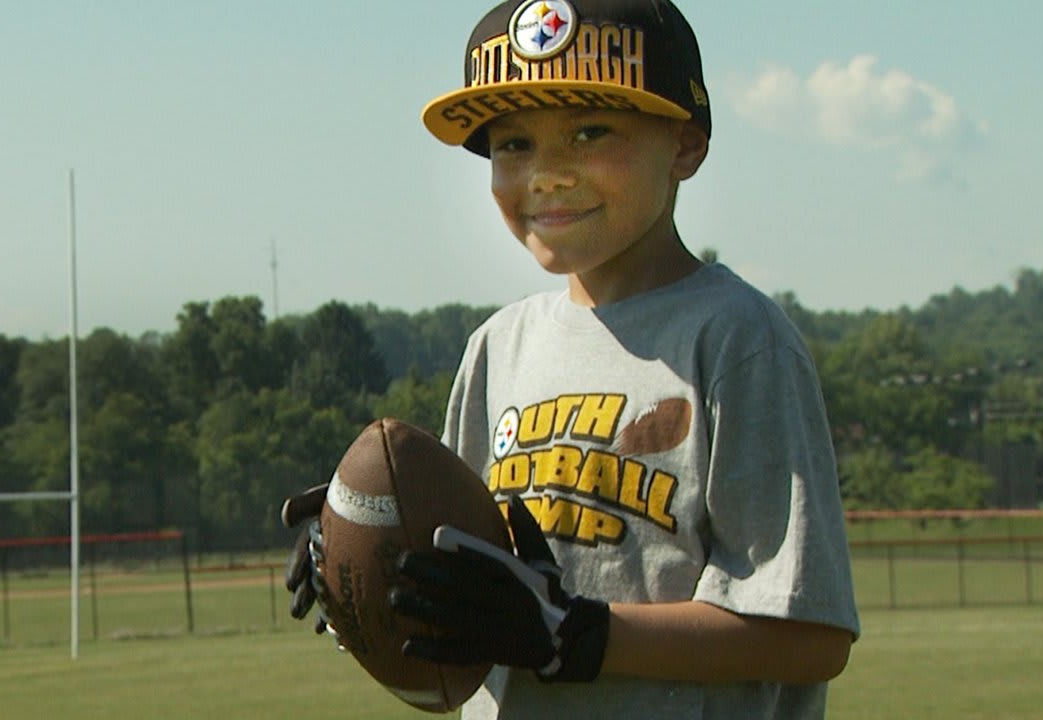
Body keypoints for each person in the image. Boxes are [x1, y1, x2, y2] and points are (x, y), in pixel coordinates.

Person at [285, 1, 860, 718]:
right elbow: (476, 623)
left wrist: (575, 633)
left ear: (684, 145)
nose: (547, 175)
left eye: (590, 131)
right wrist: (372, 562)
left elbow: (808, 634)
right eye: (513, 144)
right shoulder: (498, 348)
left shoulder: (736, 338)